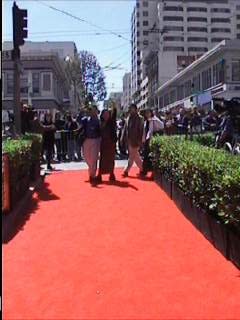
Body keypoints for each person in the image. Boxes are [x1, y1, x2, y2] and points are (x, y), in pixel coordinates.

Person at [121, 103, 144, 177]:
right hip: (129, 140)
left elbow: (141, 130)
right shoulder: (128, 118)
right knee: (135, 156)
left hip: (136, 140)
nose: (130, 109)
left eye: (131, 108)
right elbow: (125, 129)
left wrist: (140, 140)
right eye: (129, 108)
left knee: (132, 156)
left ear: (135, 109)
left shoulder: (140, 118)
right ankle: (143, 169)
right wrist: (122, 138)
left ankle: (126, 171)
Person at [97, 104, 117, 183]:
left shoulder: (111, 122)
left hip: (111, 142)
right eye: (104, 114)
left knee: (111, 159)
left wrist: (114, 107)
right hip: (103, 143)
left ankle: (111, 174)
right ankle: (100, 175)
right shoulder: (100, 123)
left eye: (107, 114)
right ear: (102, 115)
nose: (106, 115)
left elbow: (114, 114)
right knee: (102, 159)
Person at [82, 105, 101, 184]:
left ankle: (92, 175)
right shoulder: (85, 119)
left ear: (96, 111)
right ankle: (91, 170)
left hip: (96, 140)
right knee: (86, 157)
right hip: (86, 140)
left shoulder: (99, 121)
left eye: (94, 110)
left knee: (94, 158)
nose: (93, 112)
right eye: (91, 110)